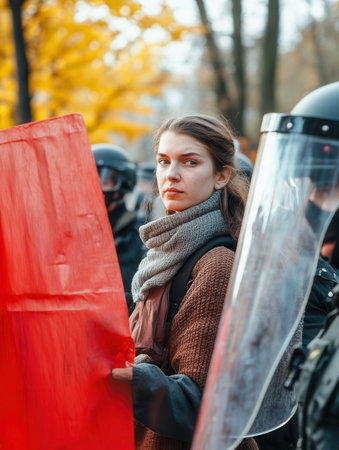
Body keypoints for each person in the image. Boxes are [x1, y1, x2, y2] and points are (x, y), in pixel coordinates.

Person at [111, 114, 257, 449]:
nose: (170, 175)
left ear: (222, 175)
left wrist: (136, 377)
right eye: (163, 161)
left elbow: (203, 405)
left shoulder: (216, 265)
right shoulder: (164, 254)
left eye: (189, 162)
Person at [92, 143, 145, 314]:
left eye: (105, 179)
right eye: (88, 177)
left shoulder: (140, 240)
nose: (95, 186)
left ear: (125, 184)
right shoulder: (69, 233)